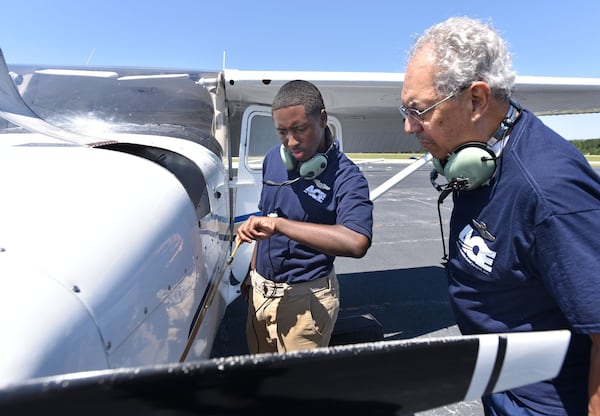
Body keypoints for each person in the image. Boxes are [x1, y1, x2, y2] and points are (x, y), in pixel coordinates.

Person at [400, 16, 600, 415]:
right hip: (504, 384)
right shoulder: (479, 157)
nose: (408, 127)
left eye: (419, 111)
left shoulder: (549, 191)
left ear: (476, 100)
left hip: (544, 403)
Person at [235, 80, 373, 354]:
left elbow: (357, 242)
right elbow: (266, 214)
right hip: (261, 290)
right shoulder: (273, 159)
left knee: (297, 389)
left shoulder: (347, 177)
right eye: (282, 132)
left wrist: (282, 226)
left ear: (322, 119)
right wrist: (252, 273)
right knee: (261, 375)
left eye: (300, 129)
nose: (291, 141)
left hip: (306, 300)